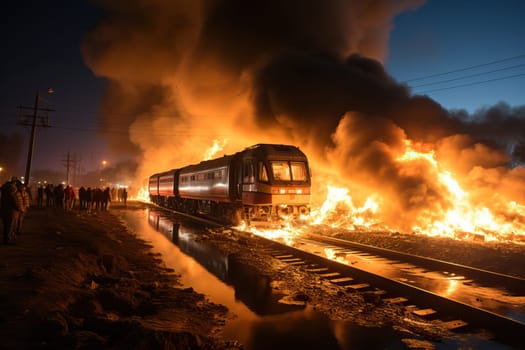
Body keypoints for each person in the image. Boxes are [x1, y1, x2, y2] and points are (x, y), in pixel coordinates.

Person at [1, 179, 23, 244]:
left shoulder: (4, 195)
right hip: (11, 213)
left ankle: (6, 239)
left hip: (5, 213)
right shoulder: (11, 196)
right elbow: (15, 204)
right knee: (10, 227)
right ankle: (7, 240)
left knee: (6, 227)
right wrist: (20, 209)